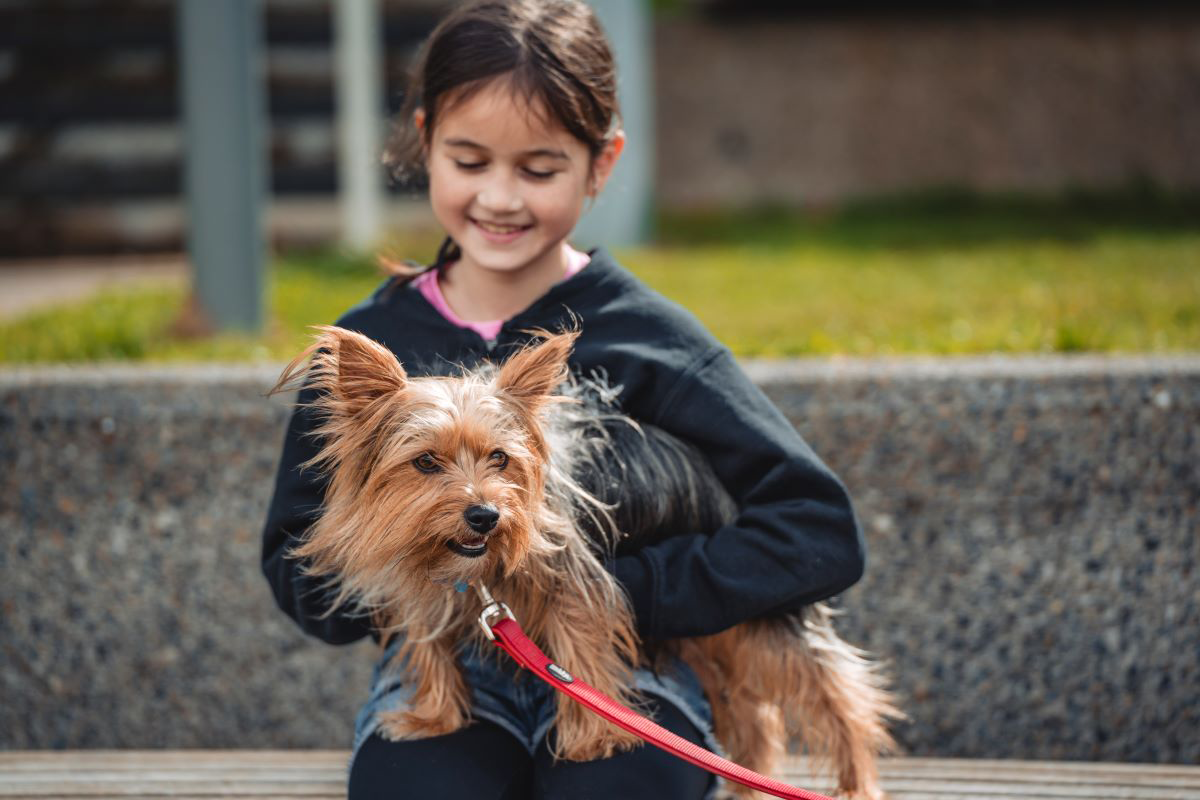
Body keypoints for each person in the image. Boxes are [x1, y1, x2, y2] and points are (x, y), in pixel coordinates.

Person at [261, 1, 865, 797]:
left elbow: (818, 530)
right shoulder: (368, 345)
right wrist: (415, 567)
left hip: (633, 659)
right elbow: (295, 560)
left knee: (612, 790)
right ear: (425, 140)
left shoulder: (650, 338)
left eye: (539, 169)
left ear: (601, 164)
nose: (501, 198)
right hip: (445, 668)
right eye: (469, 162)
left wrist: (629, 589)